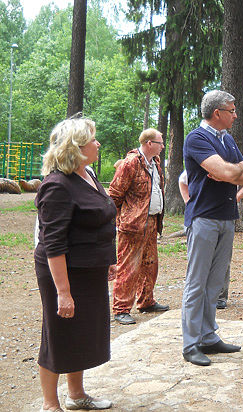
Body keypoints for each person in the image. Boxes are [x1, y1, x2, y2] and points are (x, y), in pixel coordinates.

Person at [35, 117, 114, 411]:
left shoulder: (88, 174)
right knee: (58, 334)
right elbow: (53, 244)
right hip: (63, 272)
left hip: (88, 269)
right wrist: (63, 292)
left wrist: (108, 260)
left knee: (81, 332)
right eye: (93, 139)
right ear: (77, 147)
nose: (98, 143)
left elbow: (102, 218)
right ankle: (50, 404)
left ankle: (77, 395)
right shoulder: (56, 185)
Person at [181, 90, 243, 366]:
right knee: (196, 283)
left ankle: (209, 336)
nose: (235, 115)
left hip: (226, 217)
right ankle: (190, 344)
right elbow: (227, 173)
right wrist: (232, 171)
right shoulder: (196, 138)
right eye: (231, 110)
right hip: (204, 218)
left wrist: (233, 170)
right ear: (217, 113)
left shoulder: (227, 139)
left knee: (214, 284)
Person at [109, 128, 169, 325]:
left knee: (150, 265)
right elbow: (115, 194)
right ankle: (121, 309)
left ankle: (146, 301)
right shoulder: (131, 163)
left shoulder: (155, 163)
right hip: (133, 225)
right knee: (128, 267)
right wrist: (122, 218)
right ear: (149, 143)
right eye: (160, 143)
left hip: (151, 221)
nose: (163, 146)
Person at [179, 168, 243, 309]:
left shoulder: (231, 162)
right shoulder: (202, 160)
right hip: (202, 217)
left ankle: (220, 296)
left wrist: (237, 197)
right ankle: (198, 296)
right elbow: (182, 181)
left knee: (222, 259)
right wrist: (189, 202)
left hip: (225, 216)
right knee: (199, 259)